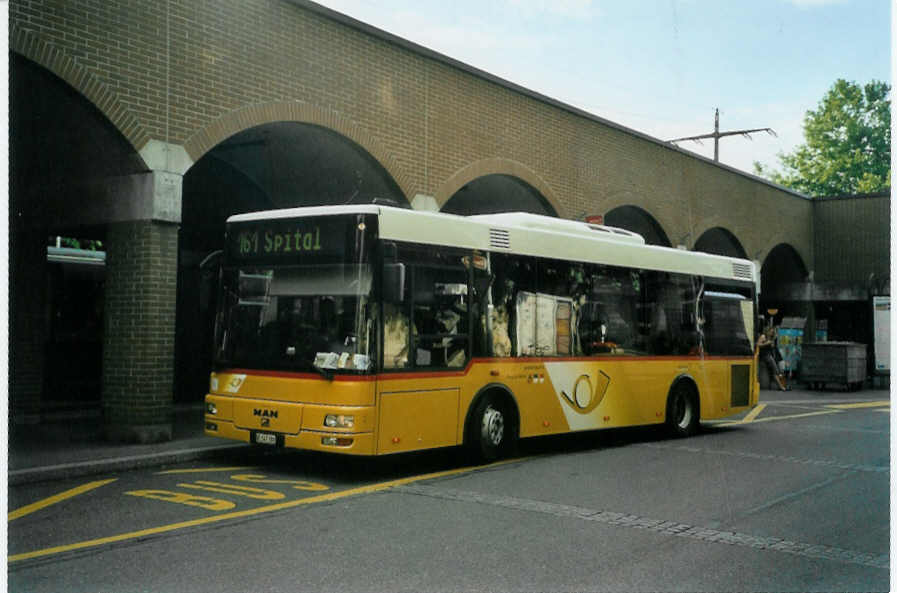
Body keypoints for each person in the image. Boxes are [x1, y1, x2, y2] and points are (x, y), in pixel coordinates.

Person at [758, 324, 788, 391]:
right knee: (776, 371)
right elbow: (758, 344)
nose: (771, 333)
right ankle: (781, 386)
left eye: (772, 332)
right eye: (770, 332)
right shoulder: (763, 336)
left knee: (775, 372)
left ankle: (781, 386)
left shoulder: (770, 339)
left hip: (769, 356)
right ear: (767, 331)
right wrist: (766, 343)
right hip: (765, 356)